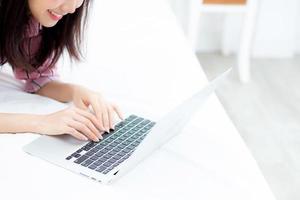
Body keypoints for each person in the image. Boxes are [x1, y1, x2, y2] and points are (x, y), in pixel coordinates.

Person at [0, 0, 123, 142]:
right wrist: (41, 122)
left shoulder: (32, 21)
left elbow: (39, 80)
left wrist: (76, 92)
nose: (71, 8)